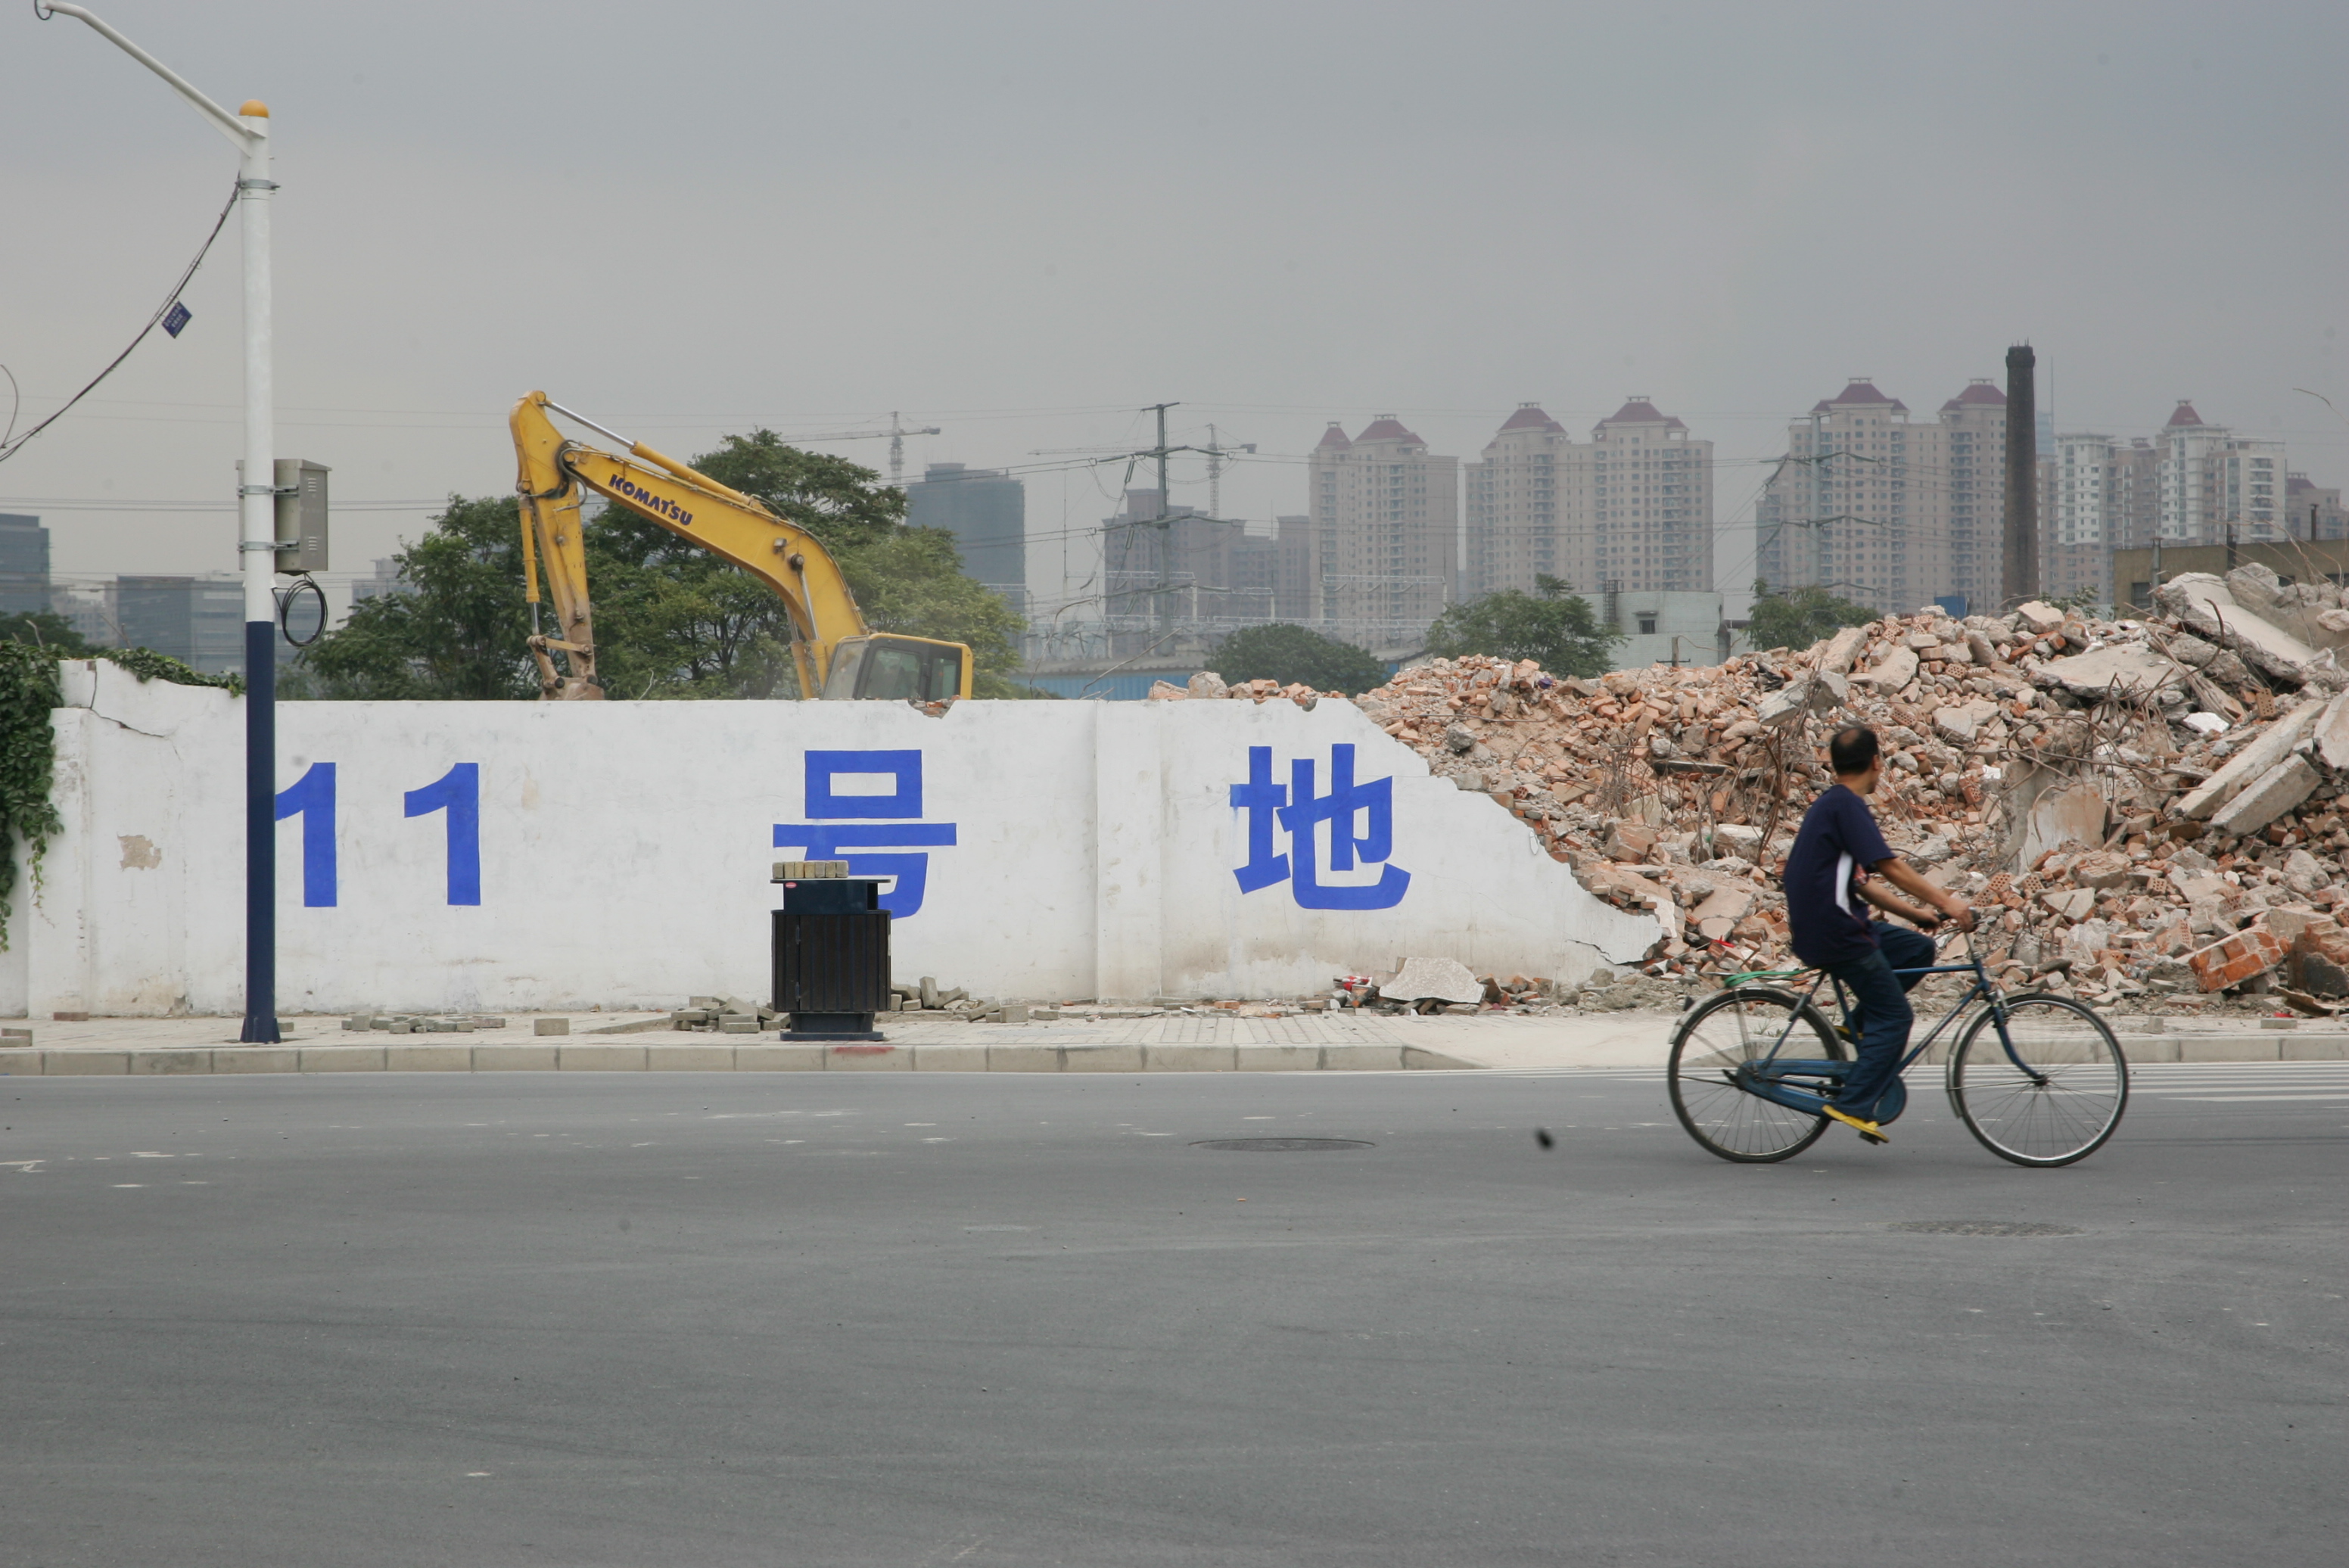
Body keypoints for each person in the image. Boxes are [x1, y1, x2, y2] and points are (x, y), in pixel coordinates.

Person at [1781, 723, 1975, 1143]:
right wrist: (1947, 903)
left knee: (1917, 948)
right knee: (1897, 1016)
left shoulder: (1831, 804)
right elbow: (1888, 866)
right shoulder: (1848, 806)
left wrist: (1916, 914)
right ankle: (1853, 1103)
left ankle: (1859, 1026)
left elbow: (1862, 882)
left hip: (1830, 924)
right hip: (1838, 931)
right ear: (1876, 763)